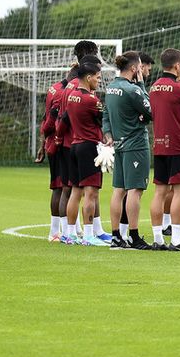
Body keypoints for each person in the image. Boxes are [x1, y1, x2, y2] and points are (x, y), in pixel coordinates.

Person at [42, 40, 96, 242]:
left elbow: (47, 118)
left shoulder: (56, 88)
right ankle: (61, 232)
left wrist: (45, 140)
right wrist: (55, 137)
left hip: (60, 143)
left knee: (69, 188)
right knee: (68, 188)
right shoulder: (76, 89)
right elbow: (56, 118)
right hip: (68, 143)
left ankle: (67, 230)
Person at [147, 48, 180, 250]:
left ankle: (158, 239)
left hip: (159, 145)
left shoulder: (153, 87)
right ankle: (176, 240)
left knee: (159, 192)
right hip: (178, 145)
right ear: (177, 65)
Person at [101, 51, 153, 250]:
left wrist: (108, 133)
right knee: (135, 190)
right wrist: (141, 85)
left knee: (118, 190)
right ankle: (133, 235)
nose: (141, 69)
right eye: (139, 66)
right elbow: (150, 110)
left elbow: (106, 114)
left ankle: (116, 236)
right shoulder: (133, 90)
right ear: (133, 68)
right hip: (135, 145)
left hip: (119, 145)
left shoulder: (111, 88)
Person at [59, 59, 109, 246]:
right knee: (91, 193)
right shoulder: (91, 100)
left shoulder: (71, 96)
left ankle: (69, 234)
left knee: (75, 192)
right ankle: (88, 235)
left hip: (74, 145)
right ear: (88, 78)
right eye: (97, 77)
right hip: (89, 147)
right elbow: (102, 121)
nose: (98, 81)